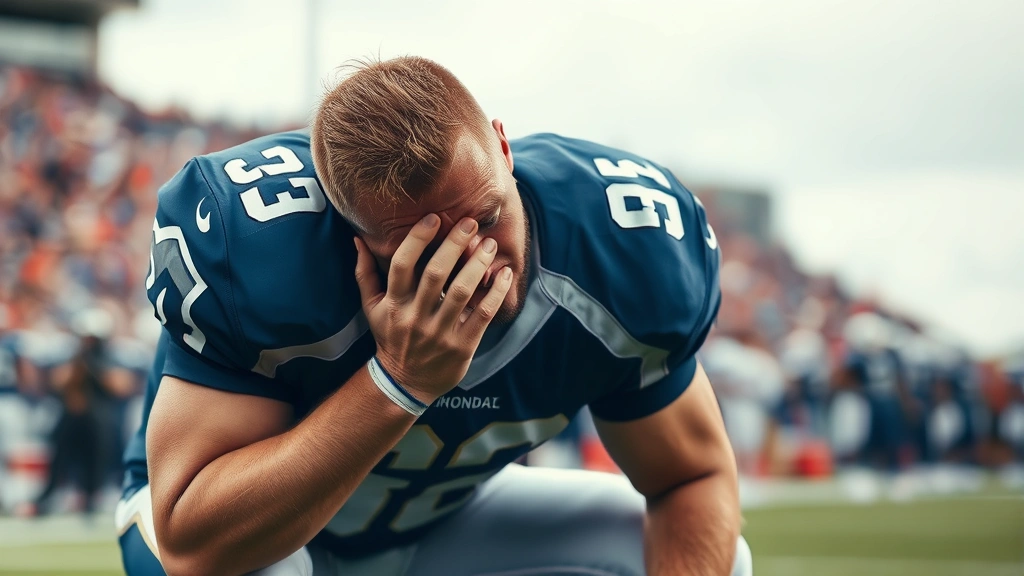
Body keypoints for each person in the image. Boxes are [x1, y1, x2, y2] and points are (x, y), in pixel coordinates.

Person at [116, 56, 751, 576]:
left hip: (442, 520)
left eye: (489, 220)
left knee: (706, 554)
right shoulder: (265, 252)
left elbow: (691, 477)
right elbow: (194, 543)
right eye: (424, 251)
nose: (473, 263)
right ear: (353, 237)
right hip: (255, 546)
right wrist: (398, 382)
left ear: (504, 149)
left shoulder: (621, 248)